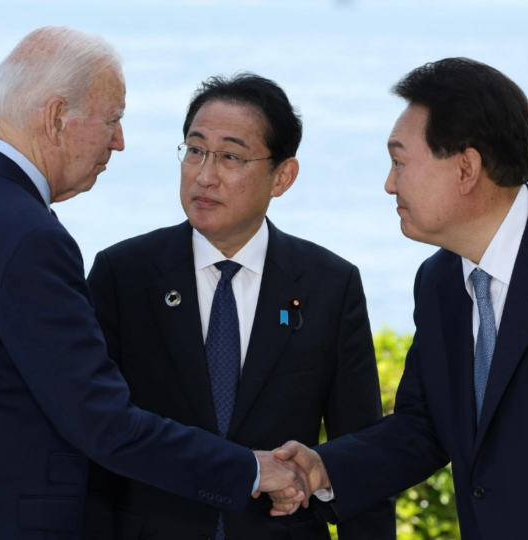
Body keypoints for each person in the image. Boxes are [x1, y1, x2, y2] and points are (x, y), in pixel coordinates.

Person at [0, 26, 307, 540]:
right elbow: (104, 425)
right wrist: (252, 470)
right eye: (112, 120)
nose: (120, 141)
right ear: (56, 119)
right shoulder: (29, 237)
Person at [270, 57, 528, 540]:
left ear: (466, 167)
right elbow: (426, 426)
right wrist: (324, 467)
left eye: (400, 161)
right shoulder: (438, 282)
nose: (389, 183)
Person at [81, 73, 395, 540]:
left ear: (282, 176)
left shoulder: (331, 284)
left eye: (230, 156)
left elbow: (361, 454)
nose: (204, 176)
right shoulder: (123, 273)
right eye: (194, 150)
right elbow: (94, 437)